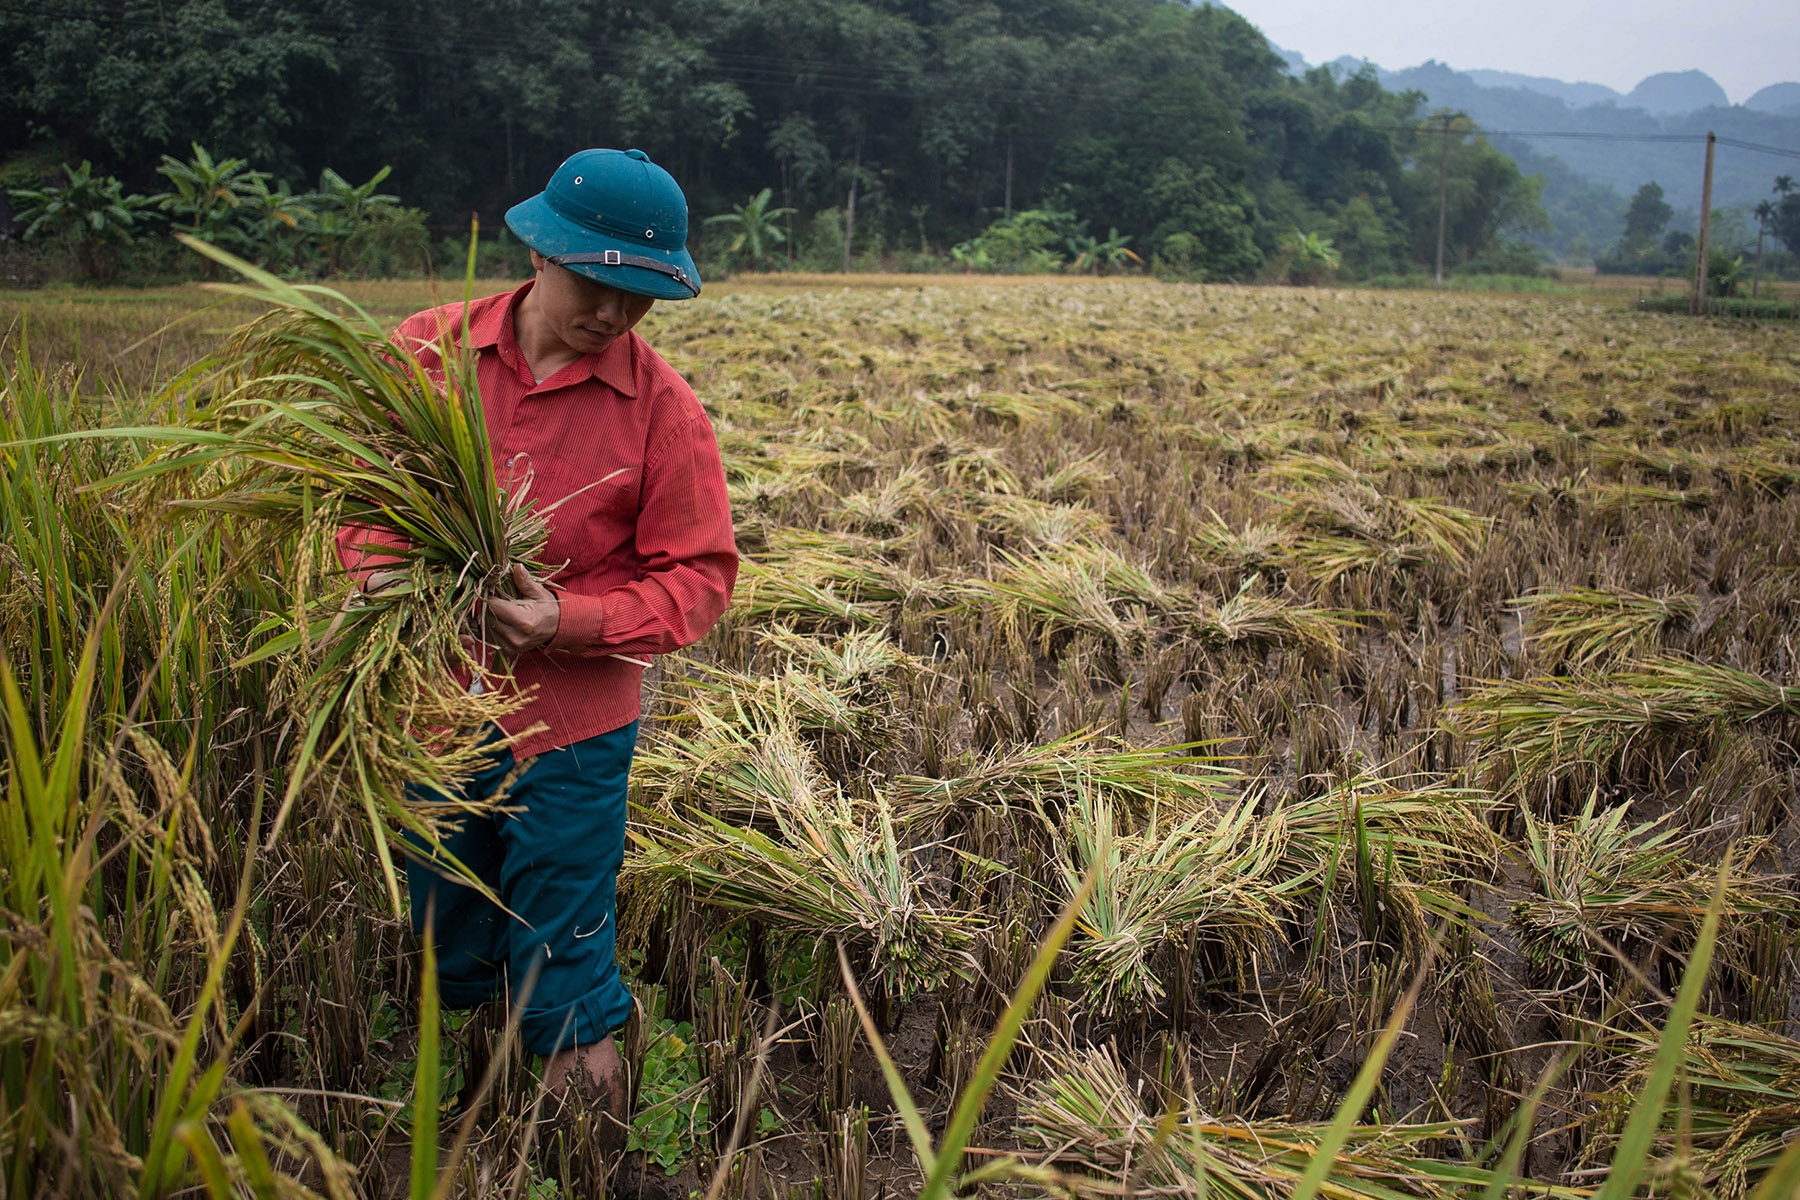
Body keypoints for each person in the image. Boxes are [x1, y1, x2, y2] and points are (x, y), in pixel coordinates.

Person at [335, 148, 736, 1160]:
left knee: (562, 933)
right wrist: (382, 575)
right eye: (594, 283)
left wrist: (571, 622)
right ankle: (461, 1100)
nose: (612, 312)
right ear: (537, 251)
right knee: (442, 917)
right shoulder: (425, 356)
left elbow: (700, 580)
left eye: (639, 296)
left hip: (575, 727)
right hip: (429, 704)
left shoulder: (663, 412)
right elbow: (357, 496)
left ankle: (590, 1157)